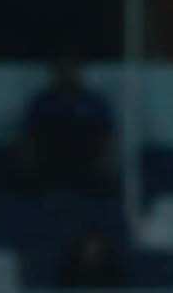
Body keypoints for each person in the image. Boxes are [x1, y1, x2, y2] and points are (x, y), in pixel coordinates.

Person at [21, 58, 114, 192]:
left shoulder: (93, 101)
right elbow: (28, 134)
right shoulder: (42, 102)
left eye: (71, 70)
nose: (67, 74)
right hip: (49, 160)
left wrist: (106, 164)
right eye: (62, 70)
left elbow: (108, 135)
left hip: (86, 160)